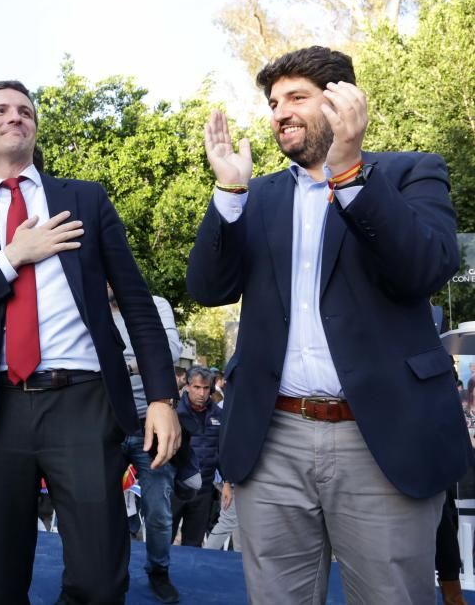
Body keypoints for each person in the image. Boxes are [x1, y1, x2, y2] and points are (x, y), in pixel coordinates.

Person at [187, 45, 471, 603]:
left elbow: (425, 268)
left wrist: (350, 172)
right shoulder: (258, 194)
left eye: (297, 97)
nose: (280, 112)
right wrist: (228, 192)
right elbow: (208, 288)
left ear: (343, 102)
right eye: (273, 102)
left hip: (381, 439)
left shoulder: (411, 171)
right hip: (273, 440)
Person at [0, 80, 181, 604]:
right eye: (0, 110)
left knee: (100, 579)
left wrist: (161, 398)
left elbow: (135, 302)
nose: (15, 116)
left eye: (25, 110)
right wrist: (11, 257)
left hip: (83, 404)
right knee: (0, 582)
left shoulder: (84, 197)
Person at [113, 291, 183, 603]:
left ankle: (158, 570)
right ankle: (109, 572)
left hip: (150, 426)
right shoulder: (87, 303)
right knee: (98, 508)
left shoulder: (154, 305)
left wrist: (124, 367)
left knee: (158, 510)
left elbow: (168, 351)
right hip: (105, 424)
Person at [171, 366, 222, 548]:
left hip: (204, 490)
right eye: (197, 387)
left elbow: (222, 451)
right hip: (174, 488)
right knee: (163, 541)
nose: (201, 393)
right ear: (188, 386)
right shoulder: (173, 411)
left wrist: (229, 483)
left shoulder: (219, 415)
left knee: (193, 545)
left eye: (206, 388)